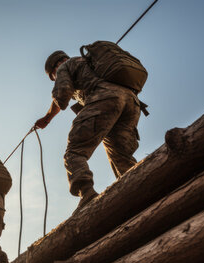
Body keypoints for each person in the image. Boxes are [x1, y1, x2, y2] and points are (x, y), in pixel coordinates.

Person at [34, 49, 143, 213]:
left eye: (53, 77)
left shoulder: (66, 66)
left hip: (105, 98)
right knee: (120, 155)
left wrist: (50, 112)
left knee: (74, 152)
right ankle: (139, 188)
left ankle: (86, 193)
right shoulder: (91, 62)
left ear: (56, 67)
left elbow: (62, 95)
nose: (55, 78)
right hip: (131, 102)